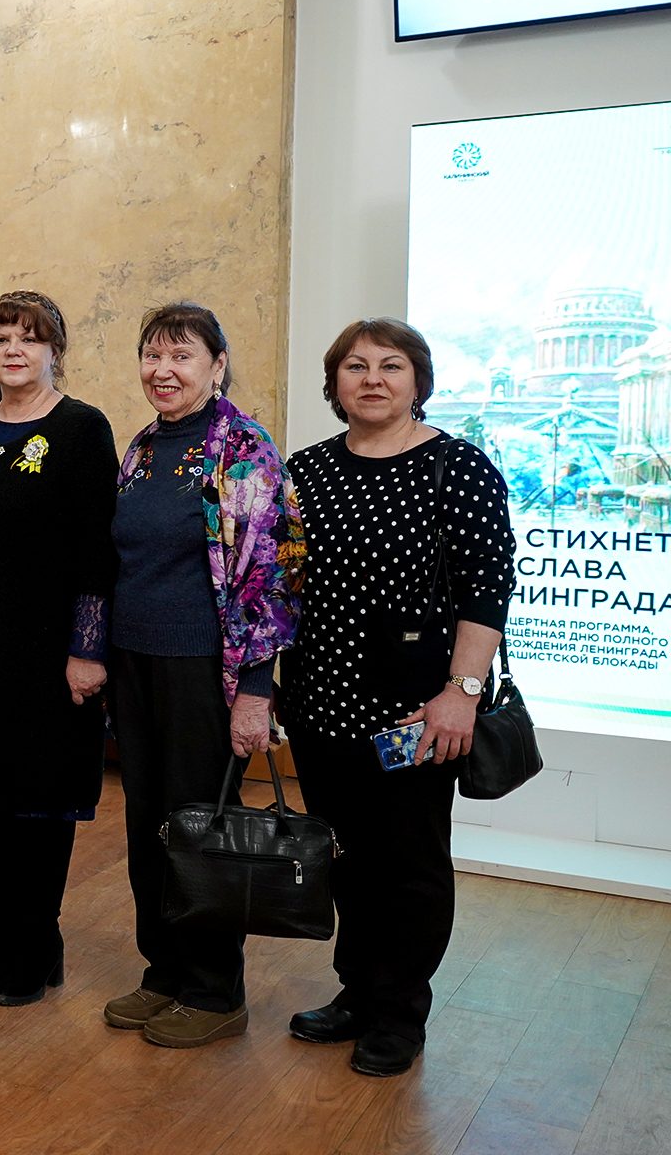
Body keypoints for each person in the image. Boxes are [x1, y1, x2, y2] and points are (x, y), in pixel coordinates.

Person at [284, 318, 514, 1078]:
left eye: (391, 365)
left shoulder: (459, 467)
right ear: (336, 383)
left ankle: (399, 1009)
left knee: (409, 862)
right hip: (322, 703)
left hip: (416, 711)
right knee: (346, 857)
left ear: (419, 381)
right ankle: (357, 990)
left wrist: (462, 693)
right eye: (355, 366)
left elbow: (487, 590)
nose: (372, 378)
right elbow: (283, 582)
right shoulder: (306, 470)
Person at [104, 302, 304, 1049]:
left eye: (182, 356)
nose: (164, 370)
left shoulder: (244, 450)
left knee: (202, 830)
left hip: (201, 671)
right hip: (135, 663)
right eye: (152, 355)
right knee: (150, 823)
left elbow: (272, 581)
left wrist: (257, 690)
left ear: (217, 365)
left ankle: (215, 990)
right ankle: (163, 974)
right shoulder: (144, 448)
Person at [0, 294, 117, 1007]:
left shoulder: (81, 428)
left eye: (29, 339)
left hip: (45, 651)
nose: (13, 350)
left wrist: (88, 648)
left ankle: (36, 946)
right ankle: (5, 936)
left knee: (38, 800)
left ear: (53, 350)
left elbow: (100, 547)